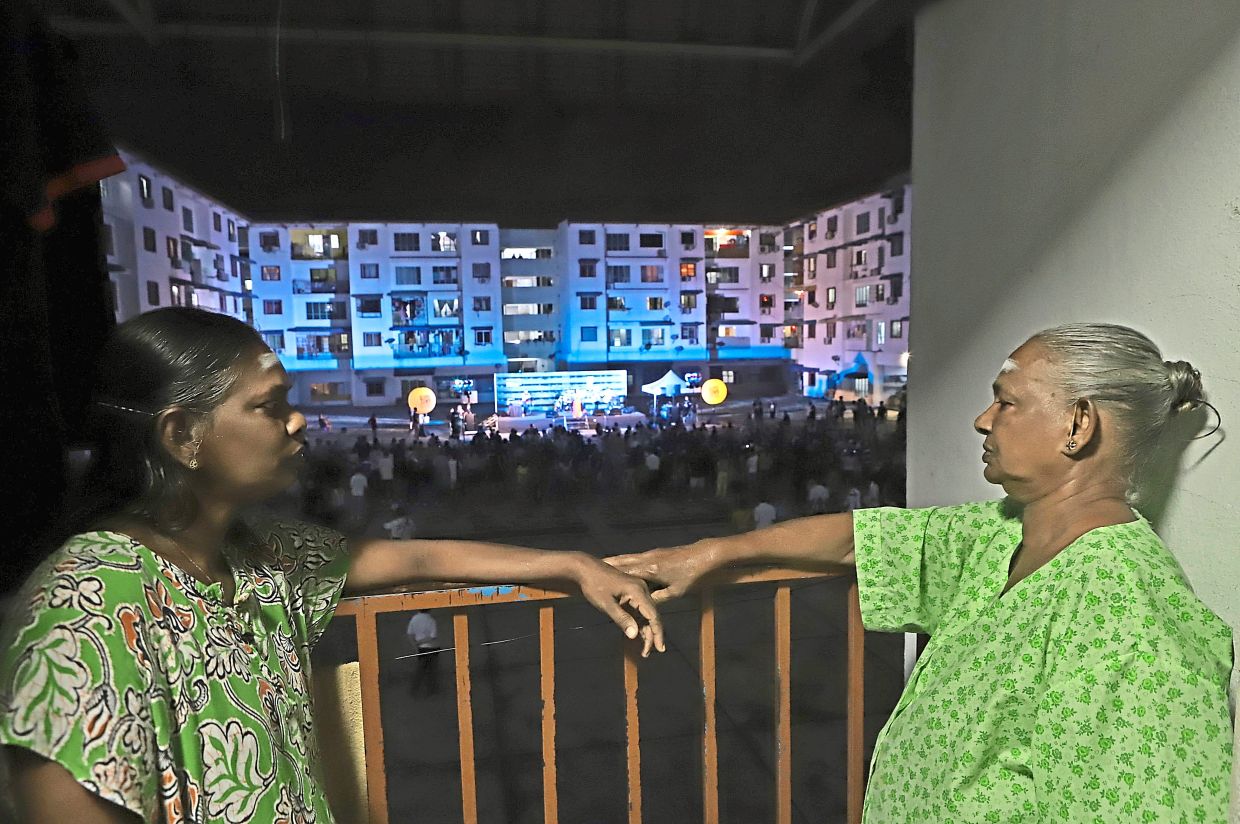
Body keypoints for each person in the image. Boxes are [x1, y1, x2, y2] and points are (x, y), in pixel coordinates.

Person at [0, 308, 664, 824]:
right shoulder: (80, 612)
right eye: (268, 406)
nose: (299, 422)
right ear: (182, 436)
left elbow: (416, 556)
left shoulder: (260, 555)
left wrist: (574, 563)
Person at [609, 323, 1232, 823]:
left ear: (1078, 425)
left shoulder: (1129, 617)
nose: (983, 420)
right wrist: (713, 553)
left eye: (1007, 402)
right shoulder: (1001, 534)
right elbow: (861, 540)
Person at [405, 610, 440, 697]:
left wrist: (416, 646)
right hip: (432, 648)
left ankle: (414, 691)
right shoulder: (431, 620)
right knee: (432, 672)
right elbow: (433, 636)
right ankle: (431, 692)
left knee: (420, 671)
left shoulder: (414, 619)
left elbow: (409, 635)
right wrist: (420, 642)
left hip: (421, 649)